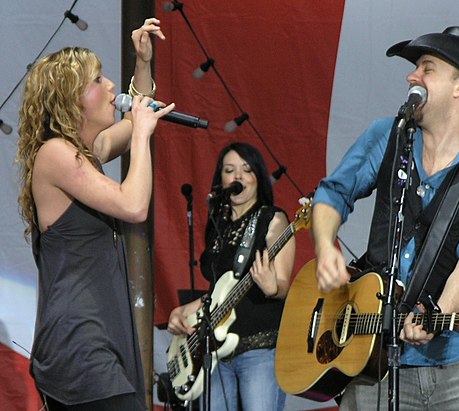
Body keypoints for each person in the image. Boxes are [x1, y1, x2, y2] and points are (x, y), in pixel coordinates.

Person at [311, 26, 459, 410]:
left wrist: (437, 313)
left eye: (427, 67)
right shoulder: (386, 136)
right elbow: (332, 193)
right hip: (376, 361)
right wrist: (326, 249)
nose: (413, 76)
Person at [16, 18, 173, 411]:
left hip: (101, 337)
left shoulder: (86, 154)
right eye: (97, 80)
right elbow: (134, 204)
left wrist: (143, 63)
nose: (109, 87)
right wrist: (141, 135)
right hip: (78, 344)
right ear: (69, 99)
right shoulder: (55, 154)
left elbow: (133, 116)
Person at [167, 142, 296, 411]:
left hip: (259, 348)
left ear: (257, 178)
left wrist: (273, 288)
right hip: (214, 353)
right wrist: (181, 311)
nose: (237, 177)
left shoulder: (272, 219)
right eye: (229, 170)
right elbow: (217, 292)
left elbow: (283, 284)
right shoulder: (218, 228)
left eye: (246, 170)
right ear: (221, 180)